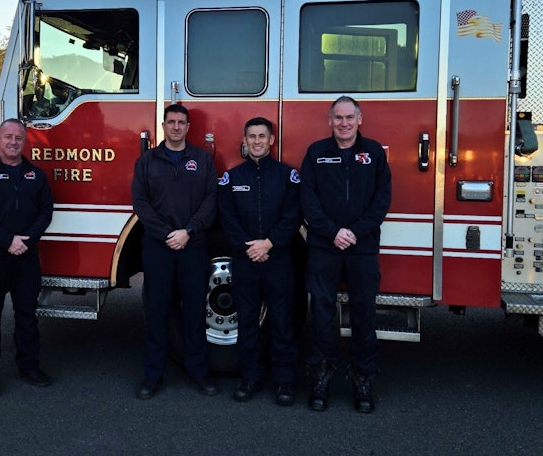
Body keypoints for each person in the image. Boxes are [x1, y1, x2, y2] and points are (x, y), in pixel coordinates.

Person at [299, 96, 392, 413]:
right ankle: (321, 379)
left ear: (359, 118)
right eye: (338, 117)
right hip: (325, 247)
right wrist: (332, 231)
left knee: (364, 315)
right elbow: (308, 199)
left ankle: (363, 381)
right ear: (329, 120)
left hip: (362, 248)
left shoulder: (375, 153)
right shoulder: (316, 153)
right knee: (322, 315)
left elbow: (382, 200)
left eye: (349, 117)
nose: (344, 123)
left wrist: (355, 231)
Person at [132, 104, 218, 399]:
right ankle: (152, 376)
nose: (177, 127)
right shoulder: (147, 161)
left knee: (194, 312)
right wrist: (166, 233)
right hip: (158, 247)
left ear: (188, 126)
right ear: (164, 125)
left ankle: (199, 373)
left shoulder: (203, 160)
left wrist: (189, 231)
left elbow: (211, 200)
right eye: (172, 122)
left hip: (193, 246)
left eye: (182, 122)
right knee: (156, 311)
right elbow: (140, 203)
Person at [0, 118, 55, 399]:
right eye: (8, 137)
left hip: (26, 257)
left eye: (18, 137)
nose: (13, 142)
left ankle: (29, 367)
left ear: (25, 141)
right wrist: (8, 241)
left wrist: (25, 241)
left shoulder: (36, 176)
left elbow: (45, 213)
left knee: (27, 316)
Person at [217, 117, 301, 406]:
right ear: (244, 140)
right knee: (248, 322)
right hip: (245, 261)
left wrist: (270, 243)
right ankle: (250, 378)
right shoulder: (231, 179)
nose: (256, 141)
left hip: (278, 260)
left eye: (262, 136)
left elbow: (293, 216)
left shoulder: (288, 176)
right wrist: (249, 247)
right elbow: (227, 220)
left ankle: (284, 381)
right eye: (251, 136)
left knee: (281, 322)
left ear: (271, 140)